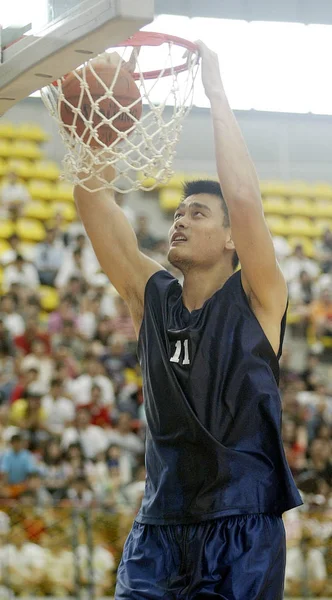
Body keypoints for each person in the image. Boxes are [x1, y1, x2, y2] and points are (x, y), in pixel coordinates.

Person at [74, 42, 302, 599]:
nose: (179, 220)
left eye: (196, 213)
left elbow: (245, 199)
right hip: (158, 527)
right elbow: (94, 202)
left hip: (242, 524)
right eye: (177, 212)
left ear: (231, 238)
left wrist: (216, 93)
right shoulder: (151, 297)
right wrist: (94, 137)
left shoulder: (260, 296)